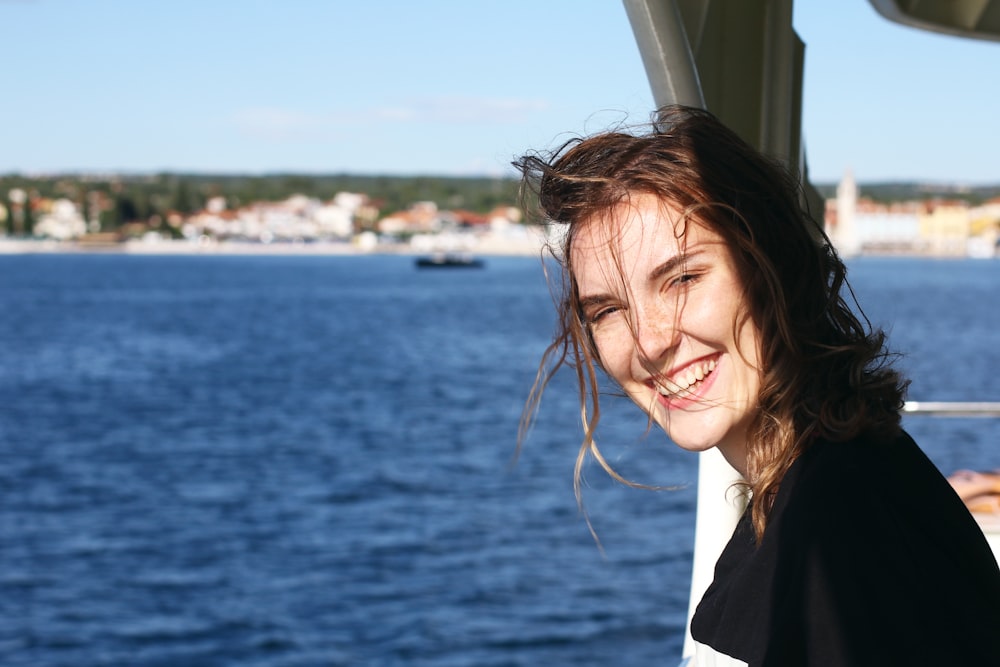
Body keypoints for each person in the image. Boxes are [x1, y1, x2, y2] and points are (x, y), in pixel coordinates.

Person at [514, 105, 1000, 666]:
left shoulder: (835, 537)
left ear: (775, 269)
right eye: (607, 310)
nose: (648, 343)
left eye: (684, 278)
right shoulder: (843, 479)